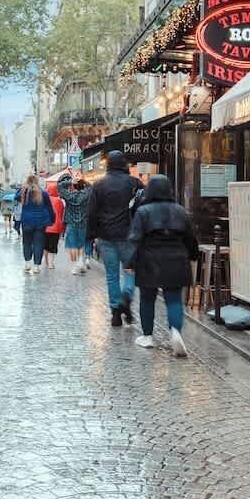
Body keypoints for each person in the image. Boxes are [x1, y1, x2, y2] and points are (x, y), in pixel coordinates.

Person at [126, 174, 196, 356]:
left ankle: (147, 336)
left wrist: (129, 261)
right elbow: (191, 238)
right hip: (177, 259)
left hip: (149, 260)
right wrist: (193, 255)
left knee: (147, 299)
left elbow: (134, 239)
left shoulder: (143, 211)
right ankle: (176, 332)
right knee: (174, 299)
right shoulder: (180, 211)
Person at [87, 150, 144, 326]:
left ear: (109, 164)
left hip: (105, 236)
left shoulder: (98, 185)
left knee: (111, 275)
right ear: (124, 164)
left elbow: (91, 213)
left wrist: (91, 235)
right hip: (128, 235)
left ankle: (115, 312)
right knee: (129, 270)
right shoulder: (134, 183)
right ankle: (126, 295)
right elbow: (142, 207)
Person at [17, 175, 55, 274]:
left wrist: (23, 187)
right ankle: (36, 266)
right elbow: (50, 208)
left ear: (27, 182)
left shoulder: (24, 193)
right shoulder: (43, 193)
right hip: (40, 223)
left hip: (26, 221)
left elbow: (15, 197)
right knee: (39, 244)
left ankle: (27, 263)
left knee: (27, 243)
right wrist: (52, 219)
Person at [57, 172, 91, 274]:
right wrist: (82, 180)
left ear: (73, 186)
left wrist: (70, 181)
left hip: (71, 224)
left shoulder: (68, 195)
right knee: (81, 245)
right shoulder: (86, 194)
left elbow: (59, 186)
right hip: (83, 223)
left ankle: (75, 265)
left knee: (72, 246)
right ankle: (81, 261)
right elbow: (91, 187)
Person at [43, 182, 66, 269]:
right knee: (53, 245)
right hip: (56, 227)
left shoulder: (44, 200)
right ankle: (51, 263)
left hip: (45, 226)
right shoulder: (59, 200)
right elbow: (61, 213)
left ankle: (46, 261)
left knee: (45, 245)